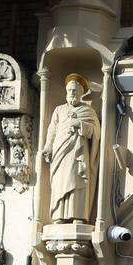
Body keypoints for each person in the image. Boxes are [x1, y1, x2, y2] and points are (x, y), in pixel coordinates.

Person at [43, 73, 99, 223]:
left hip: (78, 151)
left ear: (81, 93)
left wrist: (80, 125)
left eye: (75, 90)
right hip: (60, 150)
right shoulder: (59, 110)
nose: (72, 93)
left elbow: (95, 132)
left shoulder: (88, 111)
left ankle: (78, 215)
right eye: (69, 90)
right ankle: (58, 215)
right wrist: (48, 146)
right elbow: (52, 129)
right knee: (60, 181)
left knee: (77, 180)